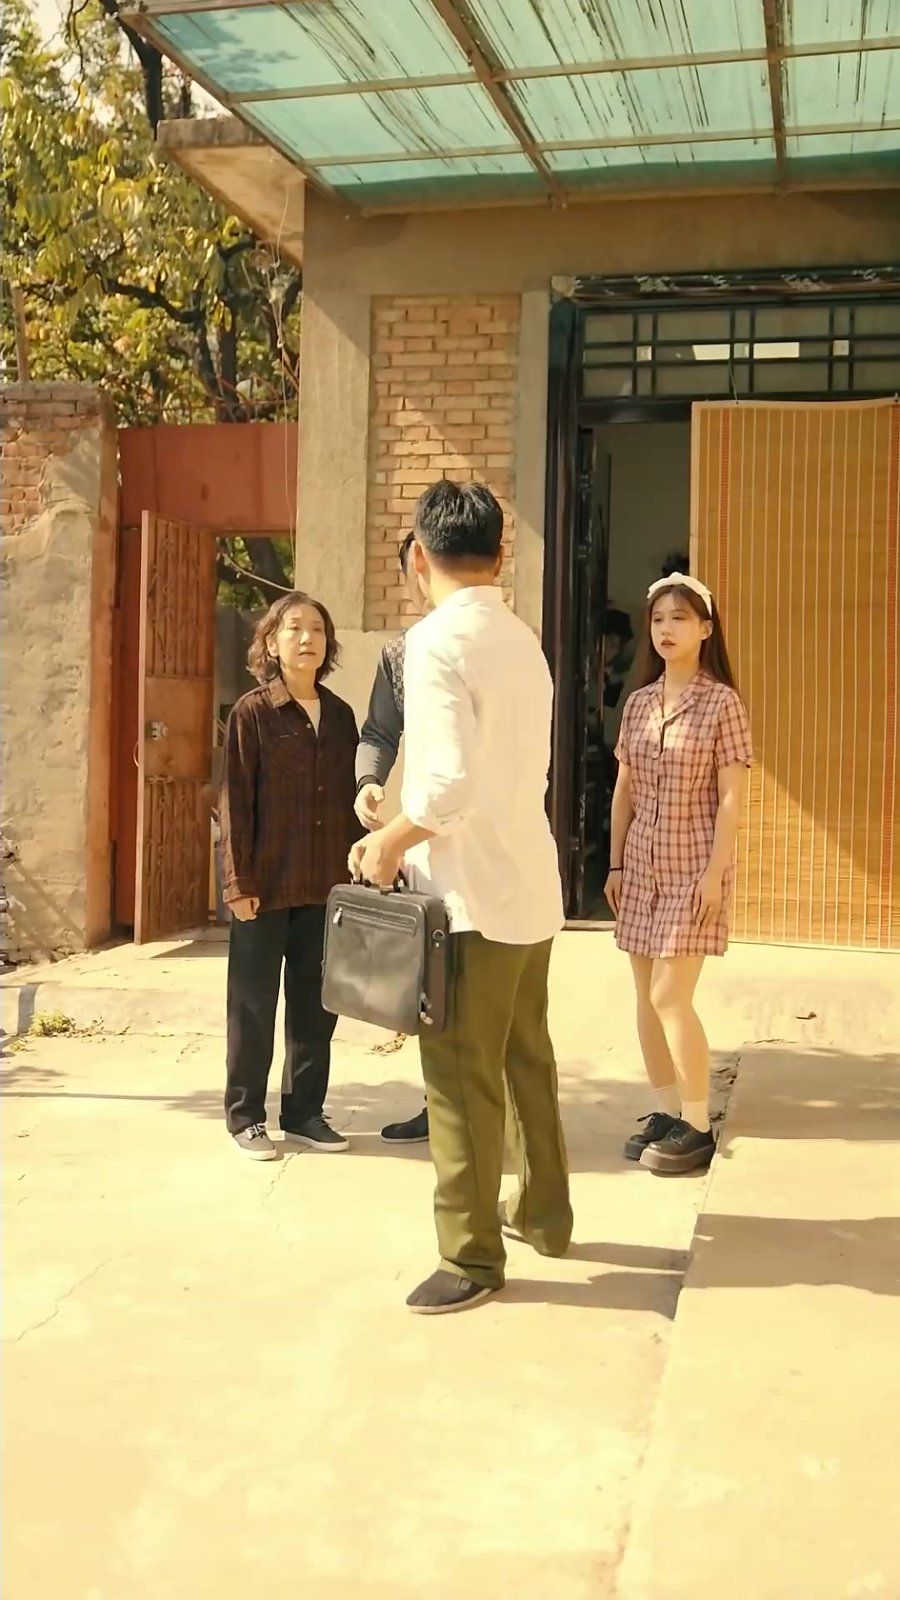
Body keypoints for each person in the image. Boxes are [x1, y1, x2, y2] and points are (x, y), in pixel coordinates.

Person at [349, 481, 573, 1315]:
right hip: (529, 884)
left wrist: (387, 843)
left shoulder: (434, 642)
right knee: (525, 1058)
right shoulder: (522, 640)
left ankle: (471, 1256)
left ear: (418, 556)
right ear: (501, 555)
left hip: (470, 897)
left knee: (456, 1076)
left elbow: (446, 785)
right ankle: (544, 1214)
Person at [605, 572, 752, 1175]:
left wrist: (716, 872)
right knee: (645, 996)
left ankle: (697, 1124)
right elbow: (624, 790)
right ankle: (666, 1111)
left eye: (680, 619)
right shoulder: (639, 703)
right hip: (640, 866)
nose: (666, 629)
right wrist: (614, 863)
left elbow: (731, 798)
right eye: (659, 619)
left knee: (671, 995)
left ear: (706, 629)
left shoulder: (722, 703)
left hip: (693, 868)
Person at [219, 591, 359, 1160]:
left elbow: (349, 803)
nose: (307, 639)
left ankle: (304, 1114)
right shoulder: (252, 713)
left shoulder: (342, 716)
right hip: (265, 886)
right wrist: (238, 882)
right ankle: (245, 1118)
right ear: (272, 644)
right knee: (253, 1006)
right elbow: (234, 803)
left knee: (315, 1009)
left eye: (318, 630)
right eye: (294, 628)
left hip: (325, 886)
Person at [354, 533, 431, 1145]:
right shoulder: (401, 654)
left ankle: (491, 1111)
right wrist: (370, 782)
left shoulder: (497, 647)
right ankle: (441, 1102)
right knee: (429, 980)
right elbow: (379, 731)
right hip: (424, 836)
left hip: (489, 847)